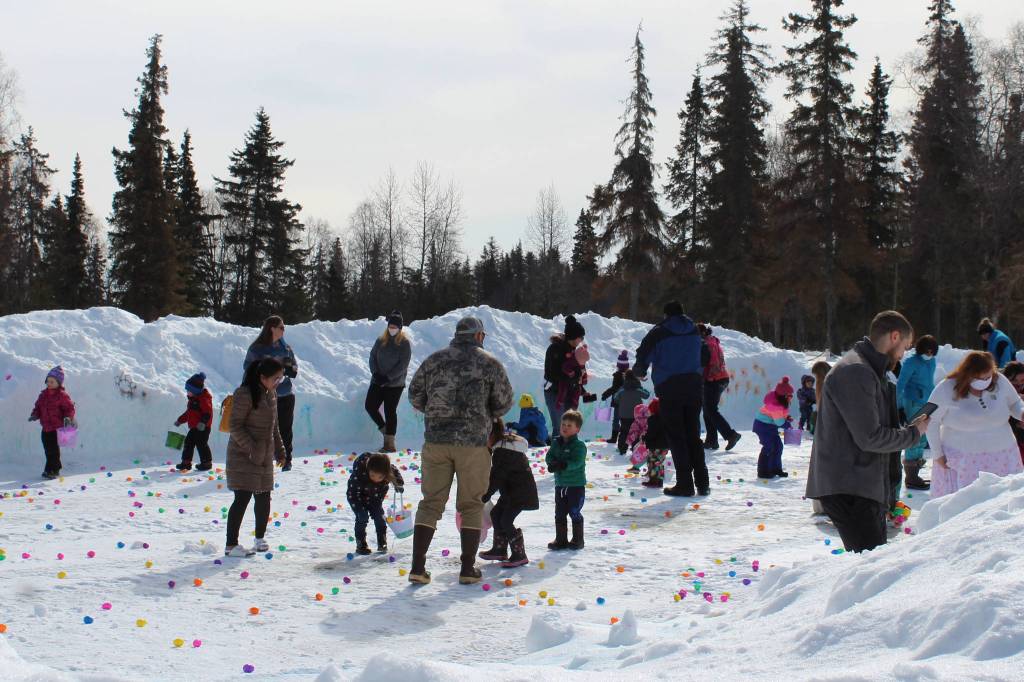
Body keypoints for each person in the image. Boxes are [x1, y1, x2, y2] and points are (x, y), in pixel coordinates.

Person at [805, 311, 929, 553]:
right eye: (905, 346)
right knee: (869, 572)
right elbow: (870, 437)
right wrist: (914, 433)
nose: (904, 354)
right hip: (851, 488)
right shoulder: (856, 371)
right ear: (894, 337)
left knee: (870, 568)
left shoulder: (868, 370)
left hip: (860, 486)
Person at [406, 316, 514, 586]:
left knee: (430, 503)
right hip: (473, 444)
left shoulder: (434, 360)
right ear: (479, 336)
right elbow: (504, 402)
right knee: (471, 504)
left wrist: (436, 412)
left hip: (436, 442)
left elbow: (415, 394)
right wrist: (483, 414)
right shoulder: (489, 363)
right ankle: (467, 568)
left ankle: (417, 567)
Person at [633, 301, 710, 497]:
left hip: (670, 387)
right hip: (693, 387)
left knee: (677, 436)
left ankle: (685, 483)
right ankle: (702, 483)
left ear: (666, 315)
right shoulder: (694, 330)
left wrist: (640, 371)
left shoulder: (660, 332)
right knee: (693, 435)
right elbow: (705, 355)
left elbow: (643, 353)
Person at [926, 351, 1024, 498]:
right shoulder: (946, 388)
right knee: (966, 504)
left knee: (1003, 503)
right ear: (967, 373)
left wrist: (1022, 412)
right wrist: (937, 453)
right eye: (979, 378)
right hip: (963, 461)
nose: (985, 381)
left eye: (988, 377)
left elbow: (1014, 402)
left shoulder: (1000, 381)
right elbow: (930, 421)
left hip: (1003, 457)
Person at [225, 358, 287, 558]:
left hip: (264, 455)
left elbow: (274, 427)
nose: (279, 382)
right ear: (262, 377)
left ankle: (259, 538)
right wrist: (252, 449)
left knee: (263, 495)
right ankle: (231, 545)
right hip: (243, 455)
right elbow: (235, 426)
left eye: (281, 378)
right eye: (275, 378)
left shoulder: (272, 394)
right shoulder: (244, 394)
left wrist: (280, 450)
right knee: (242, 497)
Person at [244, 316, 299, 470]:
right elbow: (248, 368)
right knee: (264, 429)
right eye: (281, 327)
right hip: (265, 395)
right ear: (272, 328)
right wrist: (267, 371)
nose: (284, 330)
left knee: (285, 429)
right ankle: (261, 459)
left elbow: (295, 367)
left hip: (285, 394)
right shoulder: (257, 348)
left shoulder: (286, 348)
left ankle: (286, 459)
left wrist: (290, 370)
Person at [479, 431, 539, 568]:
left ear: (492, 436)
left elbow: (497, 476)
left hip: (520, 494)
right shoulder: (505, 448)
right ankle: (499, 549)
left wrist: (486, 495)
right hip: (510, 492)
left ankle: (520, 555)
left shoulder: (503, 452)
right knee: (495, 514)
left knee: (506, 520)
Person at [365, 311, 413, 453]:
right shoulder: (381, 340)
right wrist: (376, 373)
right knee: (370, 406)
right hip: (378, 381)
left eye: (395, 327)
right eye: (390, 326)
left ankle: (389, 444)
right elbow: (372, 356)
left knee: (389, 410)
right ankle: (385, 430)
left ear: (400, 328)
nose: (392, 329)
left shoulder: (405, 344)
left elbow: (403, 365)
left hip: (394, 384)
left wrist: (388, 377)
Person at [896, 335, 938, 491]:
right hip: (912, 403)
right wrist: (899, 407)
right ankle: (911, 477)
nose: (929, 354)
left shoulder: (932, 361)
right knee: (914, 437)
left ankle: (915, 473)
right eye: (927, 351)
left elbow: (930, 382)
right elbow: (900, 385)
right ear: (921, 349)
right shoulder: (910, 362)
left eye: (932, 352)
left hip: (927, 403)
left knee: (923, 438)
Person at [545, 410, 588, 551]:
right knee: (560, 512)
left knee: (574, 511)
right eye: (563, 424)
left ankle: (578, 540)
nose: (565, 427)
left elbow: (578, 462)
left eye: (569, 425)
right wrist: (551, 464)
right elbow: (549, 456)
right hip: (560, 485)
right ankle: (561, 539)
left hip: (575, 485)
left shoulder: (579, 446)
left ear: (577, 429)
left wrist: (564, 464)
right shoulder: (556, 442)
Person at [346, 452, 404, 554]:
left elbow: (394, 471)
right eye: (372, 475)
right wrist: (358, 507)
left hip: (375, 498)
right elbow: (352, 492)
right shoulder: (359, 473)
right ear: (368, 470)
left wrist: (398, 484)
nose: (375, 479)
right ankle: (361, 544)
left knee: (379, 517)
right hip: (357, 498)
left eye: (380, 477)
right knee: (362, 517)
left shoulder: (387, 470)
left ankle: (382, 542)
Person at [29, 366, 76, 480]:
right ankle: (49, 469)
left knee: (53, 450)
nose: (49, 383)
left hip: (56, 427)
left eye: (52, 381)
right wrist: (35, 415)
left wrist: (68, 418)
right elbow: (38, 407)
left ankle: (54, 470)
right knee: (47, 449)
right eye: (48, 381)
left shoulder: (62, 396)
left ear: (58, 383)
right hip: (45, 427)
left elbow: (69, 408)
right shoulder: (43, 395)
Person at [699, 324, 741, 451]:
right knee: (707, 409)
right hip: (722, 378)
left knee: (710, 410)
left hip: (714, 380)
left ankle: (730, 435)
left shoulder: (706, 344)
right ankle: (712, 440)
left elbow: (706, 364)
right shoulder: (713, 341)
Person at [544, 316, 587, 432]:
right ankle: (557, 450)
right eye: (581, 337)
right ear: (573, 337)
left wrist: (581, 383)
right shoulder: (555, 349)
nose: (582, 340)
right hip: (554, 392)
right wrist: (574, 377)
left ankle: (569, 449)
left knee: (570, 428)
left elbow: (577, 371)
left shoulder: (574, 351)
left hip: (569, 393)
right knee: (560, 428)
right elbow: (553, 374)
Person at [754, 377, 794, 479]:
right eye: (790, 396)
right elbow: (779, 421)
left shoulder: (779, 403)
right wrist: (787, 424)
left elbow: (780, 415)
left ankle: (775, 468)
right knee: (769, 446)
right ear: (784, 396)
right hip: (762, 427)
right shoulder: (775, 405)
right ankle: (763, 471)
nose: (791, 398)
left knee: (778, 446)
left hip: (771, 427)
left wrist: (787, 417)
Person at [174, 372, 214, 472]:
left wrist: (203, 423)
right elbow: (189, 413)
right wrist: (180, 420)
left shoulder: (204, 399)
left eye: (189, 390)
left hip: (203, 427)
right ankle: (186, 463)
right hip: (194, 427)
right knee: (189, 442)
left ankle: (206, 463)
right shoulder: (192, 399)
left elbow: (207, 412)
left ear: (195, 390)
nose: (187, 392)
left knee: (201, 444)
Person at [613, 369, 650, 456]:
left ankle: (622, 449)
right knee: (636, 432)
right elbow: (647, 395)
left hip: (624, 415)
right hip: (637, 415)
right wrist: (640, 387)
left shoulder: (622, 389)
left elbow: (615, 398)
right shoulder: (638, 389)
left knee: (624, 431)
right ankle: (635, 448)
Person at [601, 351, 630, 443]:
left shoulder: (617, 375)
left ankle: (614, 438)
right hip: (627, 402)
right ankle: (626, 438)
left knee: (616, 420)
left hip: (618, 402)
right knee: (625, 420)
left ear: (618, 365)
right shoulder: (630, 375)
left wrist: (605, 394)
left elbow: (614, 388)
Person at [639, 398, 669, 488]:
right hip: (665, 445)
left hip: (656, 445)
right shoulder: (667, 418)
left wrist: (644, 437)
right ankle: (660, 481)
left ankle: (653, 481)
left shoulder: (653, 419)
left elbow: (651, 433)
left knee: (652, 462)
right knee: (659, 463)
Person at [1002, 361, 1024, 465]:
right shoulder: (998, 393)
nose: (1019, 384)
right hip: (1007, 441)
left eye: (1022, 380)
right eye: (1014, 380)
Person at [625, 402, 650, 474]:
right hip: (650, 440)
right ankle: (649, 470)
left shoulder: (637, 421)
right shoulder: (650, 419)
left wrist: (629, 441)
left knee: (638, 452)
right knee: (649, 456)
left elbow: (633, 431)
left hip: (643, 440)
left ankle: (635, 467)